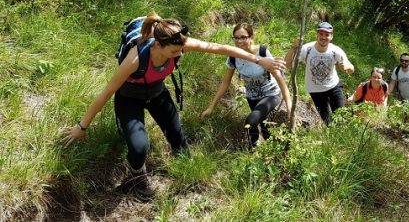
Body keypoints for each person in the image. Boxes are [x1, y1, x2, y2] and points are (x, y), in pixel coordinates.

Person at [62, 12, 285, 201]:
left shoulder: (178, 43)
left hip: (158, 93)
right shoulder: (135, 59)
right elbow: (106, 92)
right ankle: (137, 178)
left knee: (178, 138)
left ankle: (186, 172)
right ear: (158, 45)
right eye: (174, 52)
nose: (179, 54)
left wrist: (258, 60)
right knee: (139, 148)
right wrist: (82, 127)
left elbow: (221, 48)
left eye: (181, 50)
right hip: (129, 98)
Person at [201, 23, 292, 148]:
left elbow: (280, 80)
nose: (239, 41)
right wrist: (211, 107)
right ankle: (261, 151)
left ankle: (260, 150)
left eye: (243, 37)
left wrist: (289, 106)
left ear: (251, 37)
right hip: (251, 97)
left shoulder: (262, 52)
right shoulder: (234, 56)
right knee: (265, 130)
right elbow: (225, 82)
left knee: (251, 120)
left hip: (270, 94)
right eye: (236, 38)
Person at [285, 22, 354, 125]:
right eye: (321, 34)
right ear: (317, 35)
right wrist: (293, 47)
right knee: (328, 123)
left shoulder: (335, 50)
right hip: (315, 91)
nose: (323, 37)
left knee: (341, 119)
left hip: (334, 87)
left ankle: (343, 139)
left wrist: (347, 67)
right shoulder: (307, 49)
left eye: (327, 34)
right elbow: (288, 64)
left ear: (331, 36)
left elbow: (351, 68)